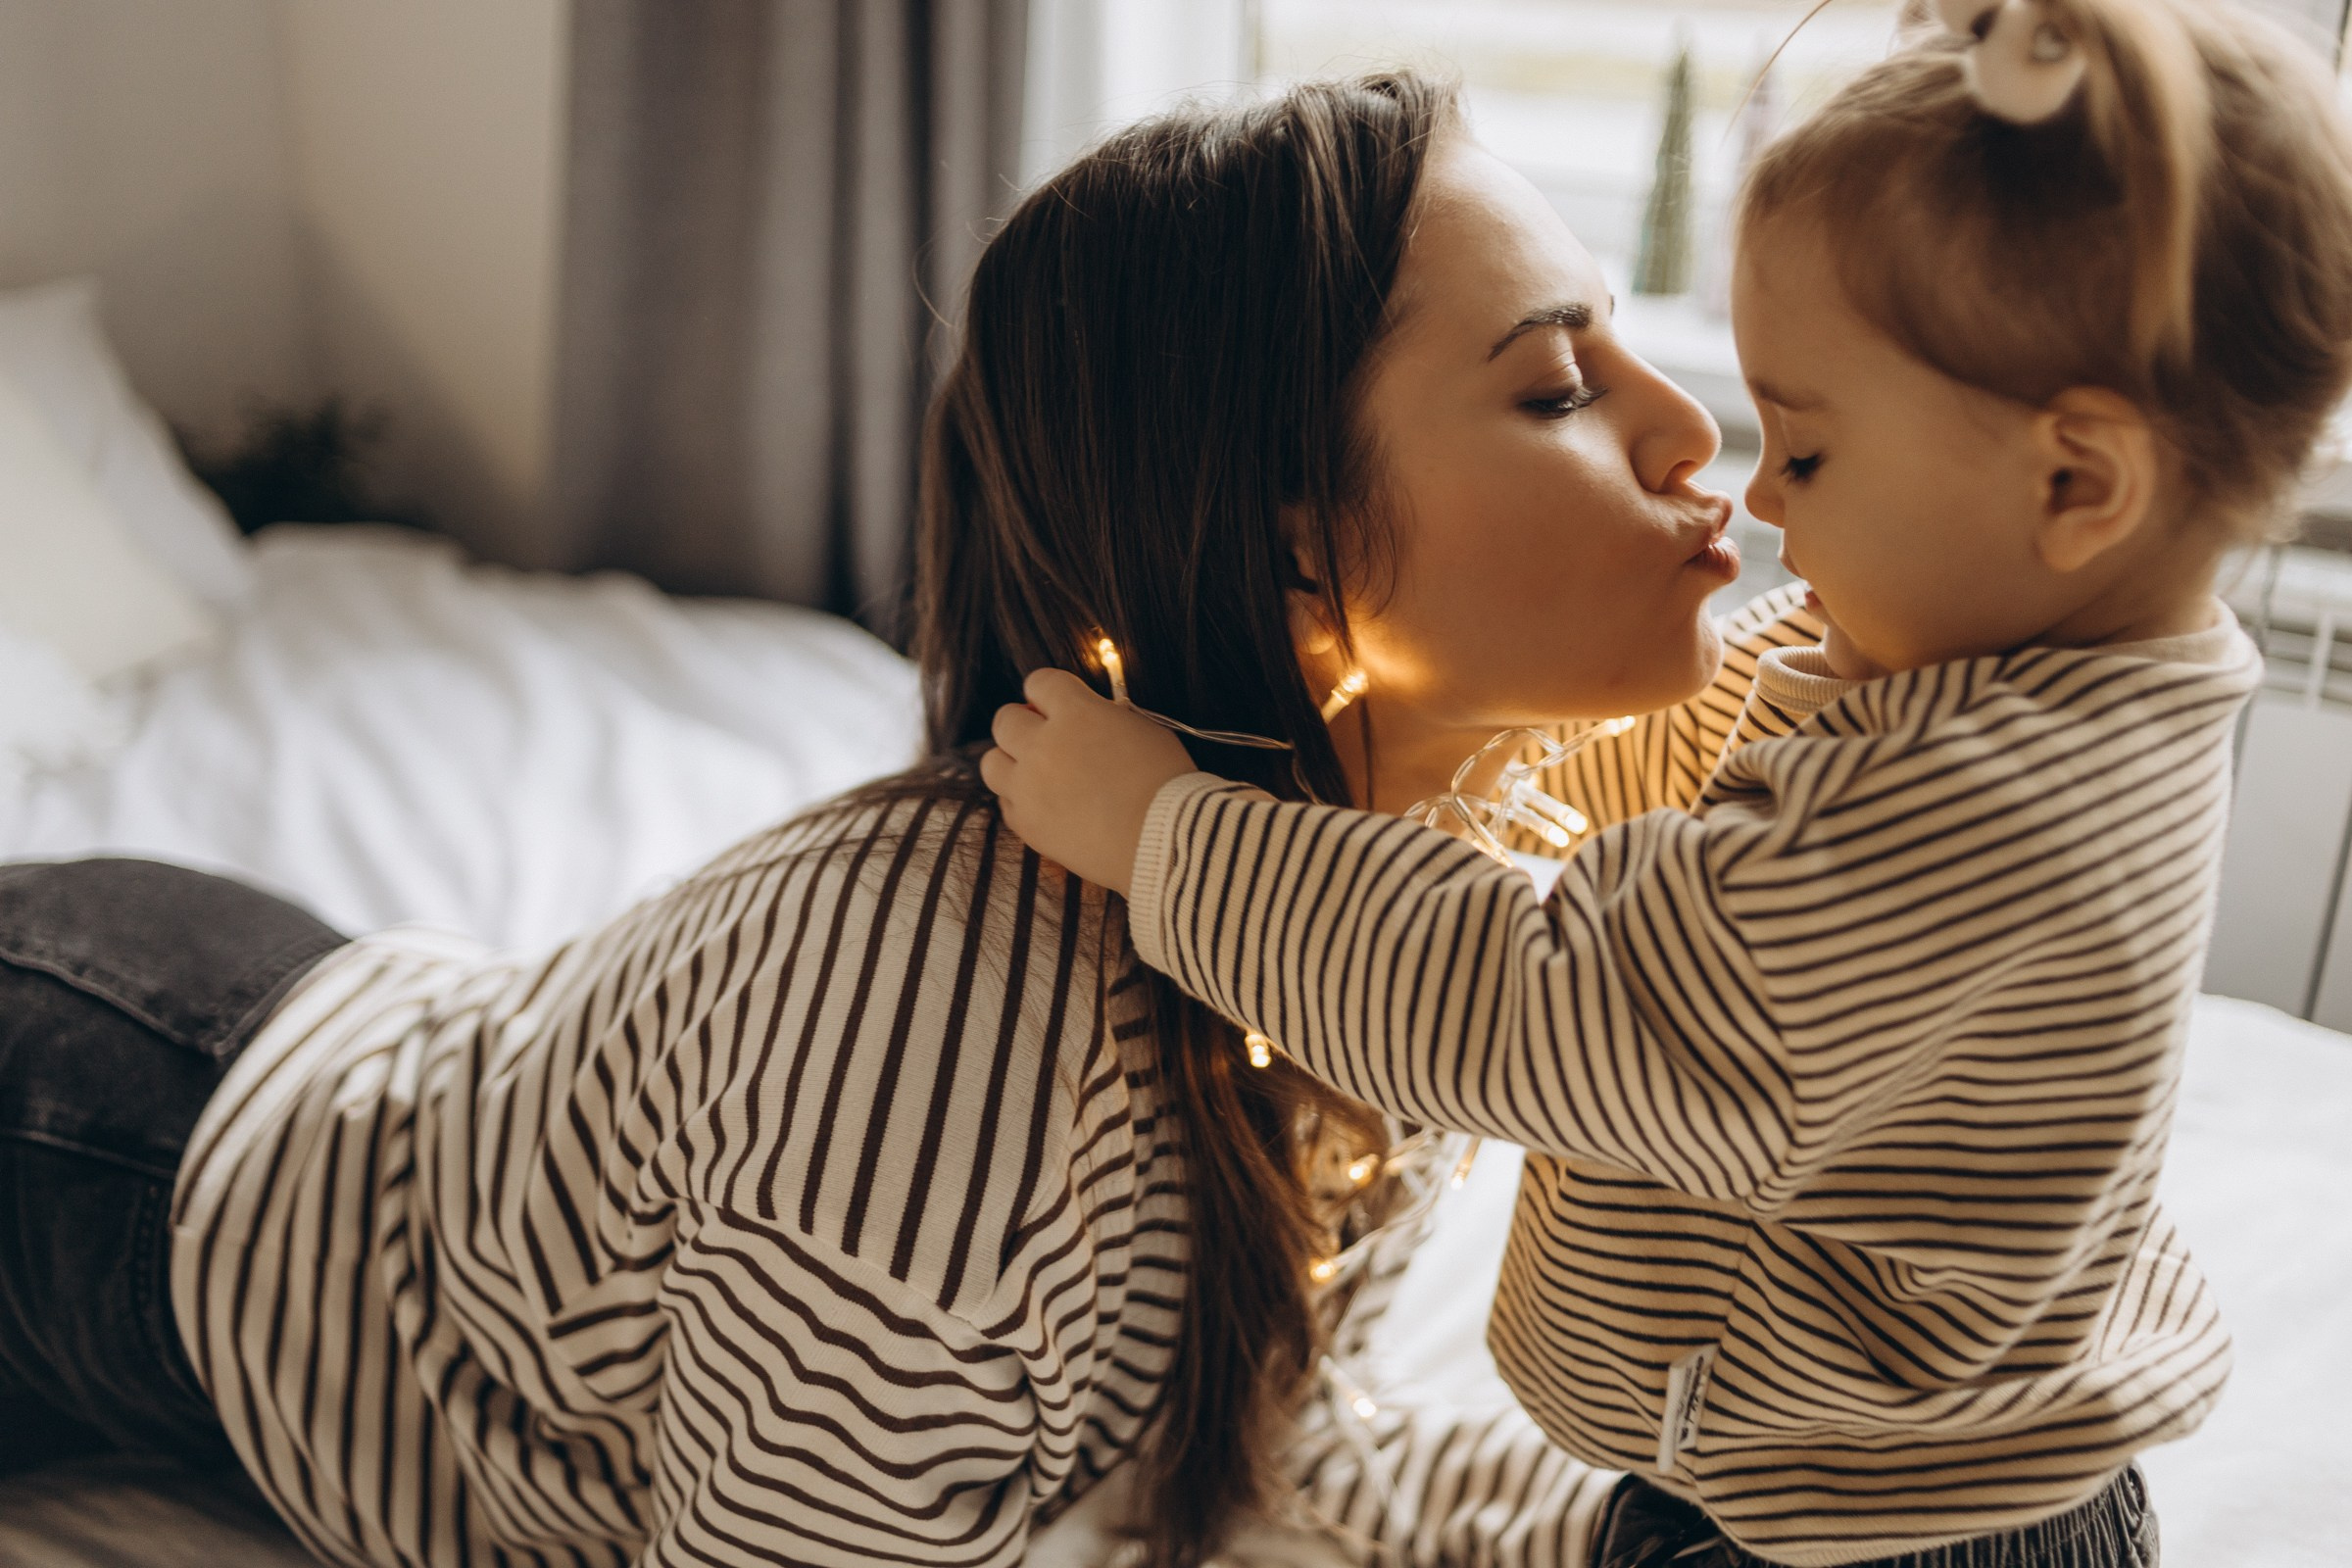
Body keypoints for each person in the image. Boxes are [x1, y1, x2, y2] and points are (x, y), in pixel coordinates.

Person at [0, 71, 1788, 1568]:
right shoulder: (951, 1045)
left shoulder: (1413, 903)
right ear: (1293, 537)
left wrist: (1657, 1531)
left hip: (326, 1042)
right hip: (109, 1137)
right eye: (1555, 389)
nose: (1692, 435)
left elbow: (1284, 1433)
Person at [982, 3, 2352, 1565]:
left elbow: (1546, 998)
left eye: (1812, 453)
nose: (1741, 473)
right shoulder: (1961, 671)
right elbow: (1673, 770)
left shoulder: (1985, 814)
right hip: (1792, 1473)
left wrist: (1174, 838)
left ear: (2075, 482)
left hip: (1872, 1530)